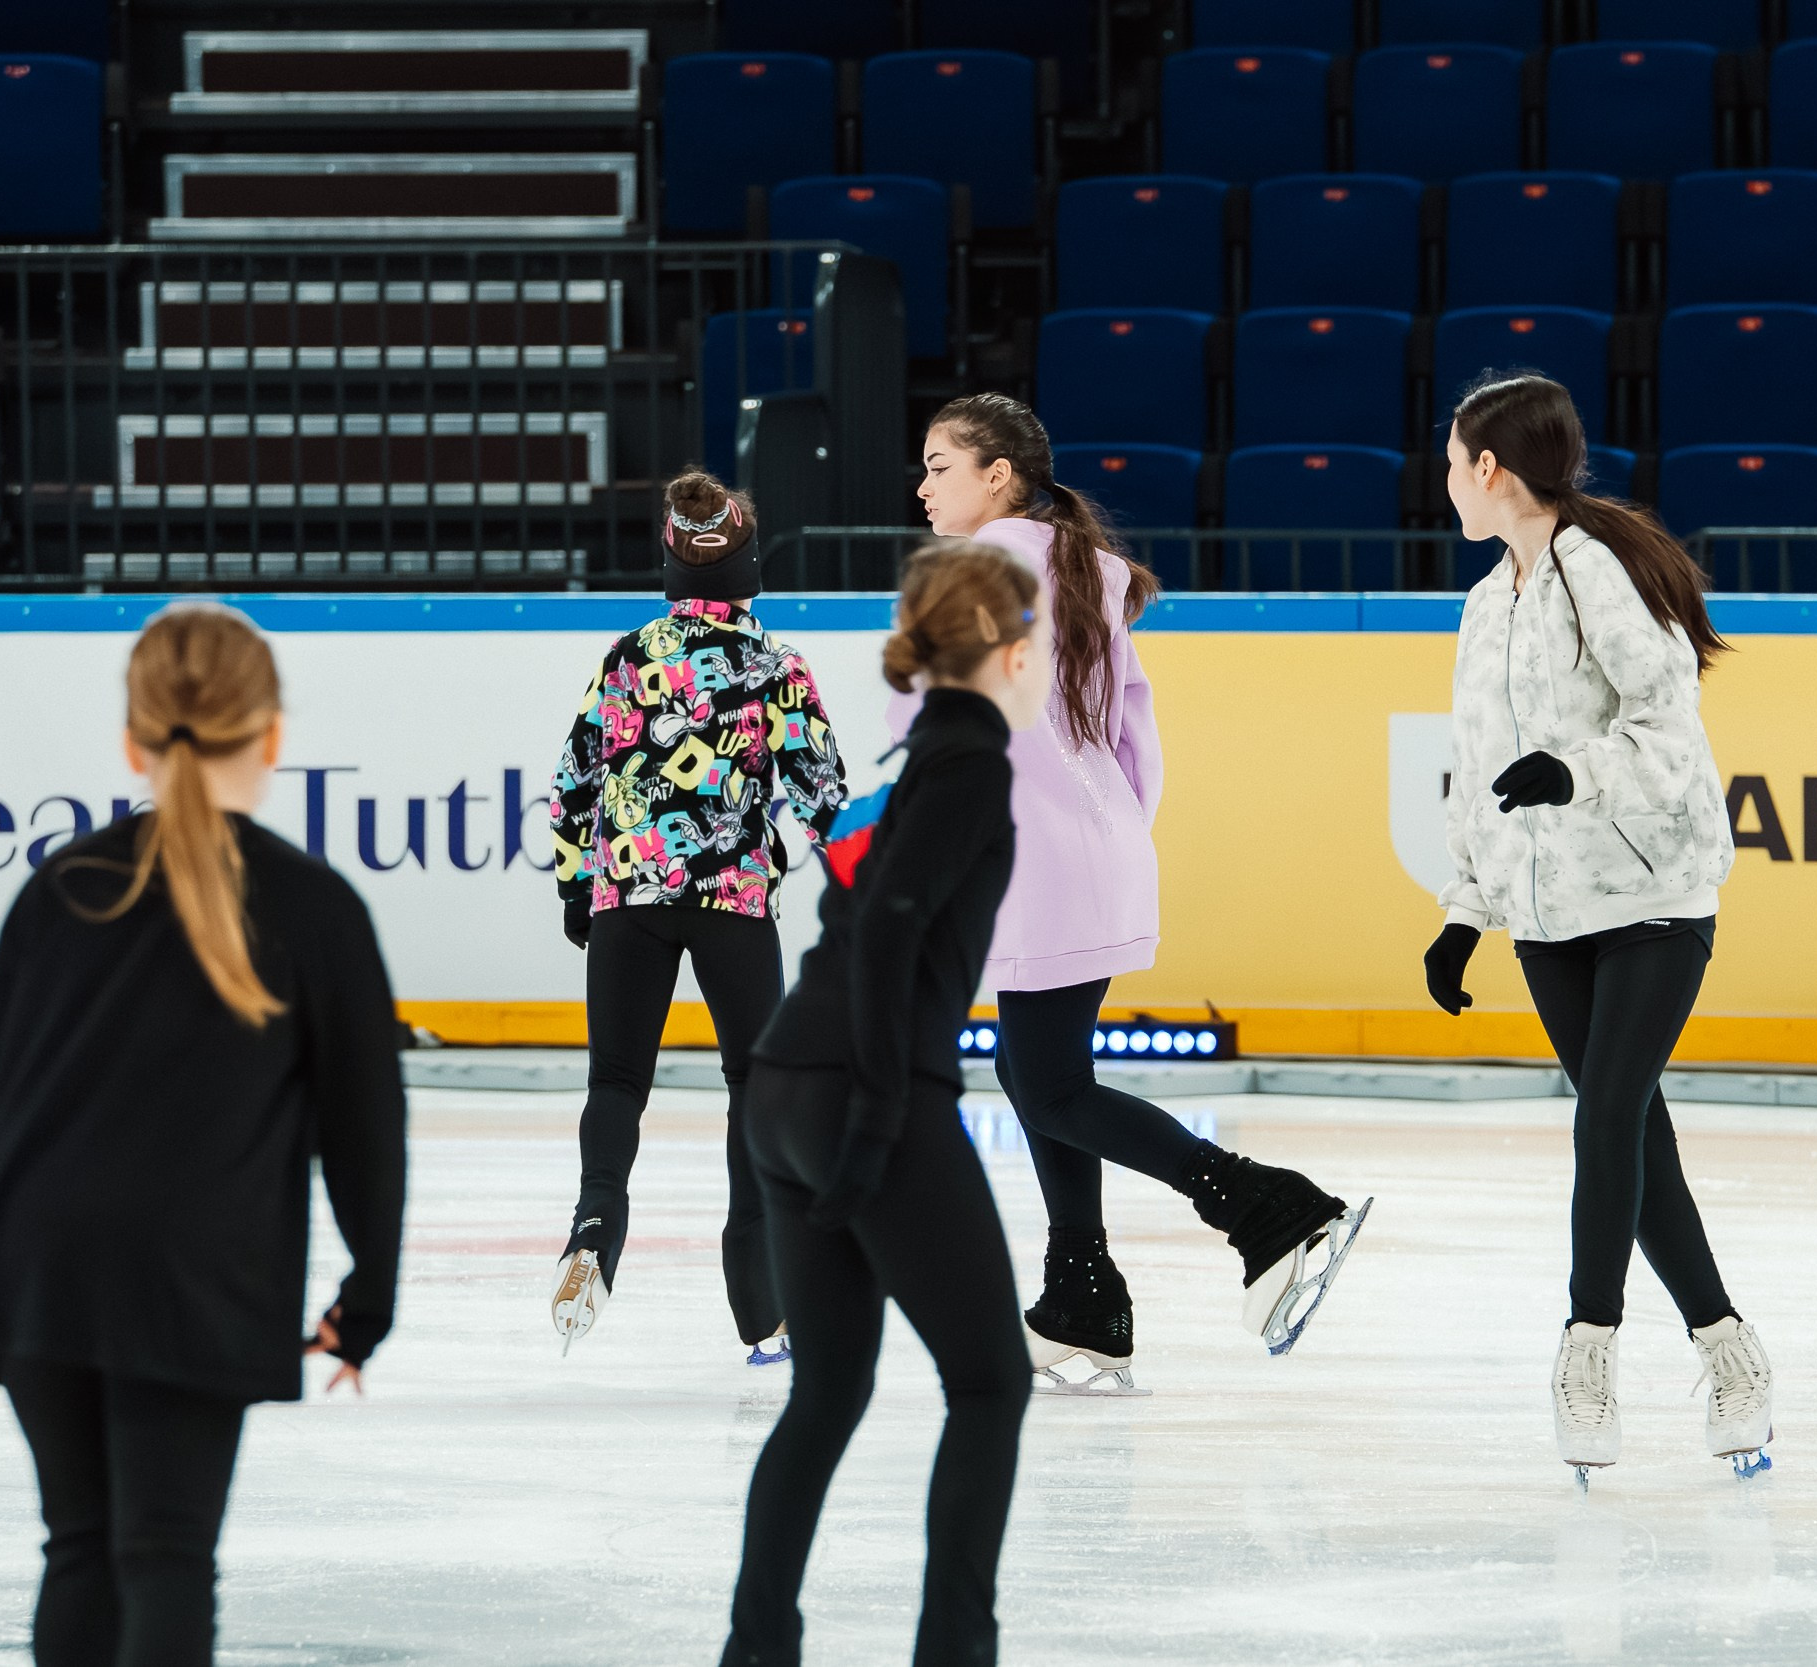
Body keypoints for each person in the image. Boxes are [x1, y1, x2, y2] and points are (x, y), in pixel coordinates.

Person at [0, 603, 407, 1666]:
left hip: (41, 1272)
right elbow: (365, 1123)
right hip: (193, 1270)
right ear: (272, 734)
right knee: (164, 1552)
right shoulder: (312, 904)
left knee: (83, 1548)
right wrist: (366, 1296)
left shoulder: (57, 891)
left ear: (132, 740)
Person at [910, 393, 1370, 1391]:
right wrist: (1107, 831)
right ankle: (1080, 1294)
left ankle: (1262, 1203)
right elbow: (1133, 737)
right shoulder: (1091, 569)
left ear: (998, 473)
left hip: (1033, 856)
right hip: (1097, 847)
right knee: (1046, 1076)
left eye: (939, 464)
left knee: (1045, 1083)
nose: (923, 486)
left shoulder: (972, 574)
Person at [1423, 372, 1774, 1486]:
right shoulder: (1487, 601)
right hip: (1545, 914)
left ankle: (1588, 1349)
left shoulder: (1602, 572)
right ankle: (1730, 1346)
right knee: (1630, 1134)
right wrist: (1462, 912)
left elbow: (1670, 734)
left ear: (1490, 468)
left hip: (1653, 897)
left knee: (1610, 1111)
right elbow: (1478, 773)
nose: (1444, 483)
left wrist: (1573, 769)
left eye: (1450, 462)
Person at [720, 543, 1047, 1667]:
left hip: (779, 1084)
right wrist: (872, 1117)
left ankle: (755, 1647)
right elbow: (893, 929)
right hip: (864, 1091)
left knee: (828, 1388)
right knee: (992, 1382)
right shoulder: (968, 768)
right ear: (1011, 651)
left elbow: (863, 918)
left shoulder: (919, 758)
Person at [548, 468, 847, 1363]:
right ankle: (762, 1303)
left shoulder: (629, 655)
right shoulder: (776, 667)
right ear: (751, 566)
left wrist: (576, 884)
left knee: (616, 1084)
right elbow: (822, 795)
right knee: (755, 1089)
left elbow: (574, 781)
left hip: (628, 899)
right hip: (734, 901)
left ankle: (594, 1227)